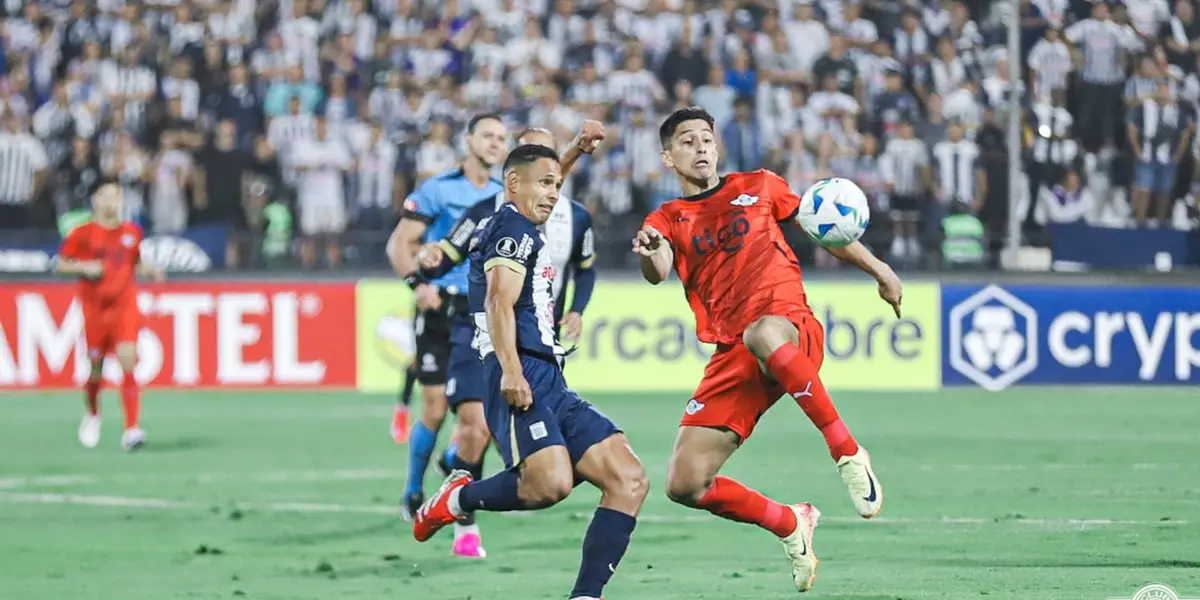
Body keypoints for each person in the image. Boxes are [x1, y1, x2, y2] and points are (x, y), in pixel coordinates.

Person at [631, 107, 903, 592]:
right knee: (685, 482)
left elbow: (827, 229)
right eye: (687, 142)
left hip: (788, 326)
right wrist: (652, 252)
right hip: (732, 352)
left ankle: (847, 453)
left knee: (762, 333)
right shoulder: (667, 217)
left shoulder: (759, 185)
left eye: (706, 140)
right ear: (668, 157)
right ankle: (789, 522)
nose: (700, 148)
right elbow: (659, 268)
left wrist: (881, 270)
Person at [412, 144, 648, 600]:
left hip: (551, 379)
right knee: (550, 484)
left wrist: (576, 148)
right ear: (513, 184)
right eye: (544, 184)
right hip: (521, 373)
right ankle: (457, 499)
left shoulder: (522, 226)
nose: (553, 194)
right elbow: (498, 301)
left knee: (628, 478)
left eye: (557, 186)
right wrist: (511, 372)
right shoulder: (511, 227)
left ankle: (586, 596)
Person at [388, 113, 508, 521]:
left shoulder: (500, 196)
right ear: (469, 140)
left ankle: (456, 463)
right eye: (487, 136)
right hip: (437, 307)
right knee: (435, 409)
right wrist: (416, 284)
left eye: (501, 138)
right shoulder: (438, 189)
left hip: (473, 316)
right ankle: (413, 489)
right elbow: (399, 243)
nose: (495, 143)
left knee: (478, 417)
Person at [56, 179, 165, 451]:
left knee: (128, 360)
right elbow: (60, 265)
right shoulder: (82, 233)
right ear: (95, 200)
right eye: (106, 195)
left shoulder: (131, 232)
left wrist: (149, 270)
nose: (111, 201)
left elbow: (134, 261)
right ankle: (93, 412)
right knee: (95, 369)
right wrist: (85, 266)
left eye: (116, 195)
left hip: (124, 306)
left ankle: (132, 429)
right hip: (95, 310)